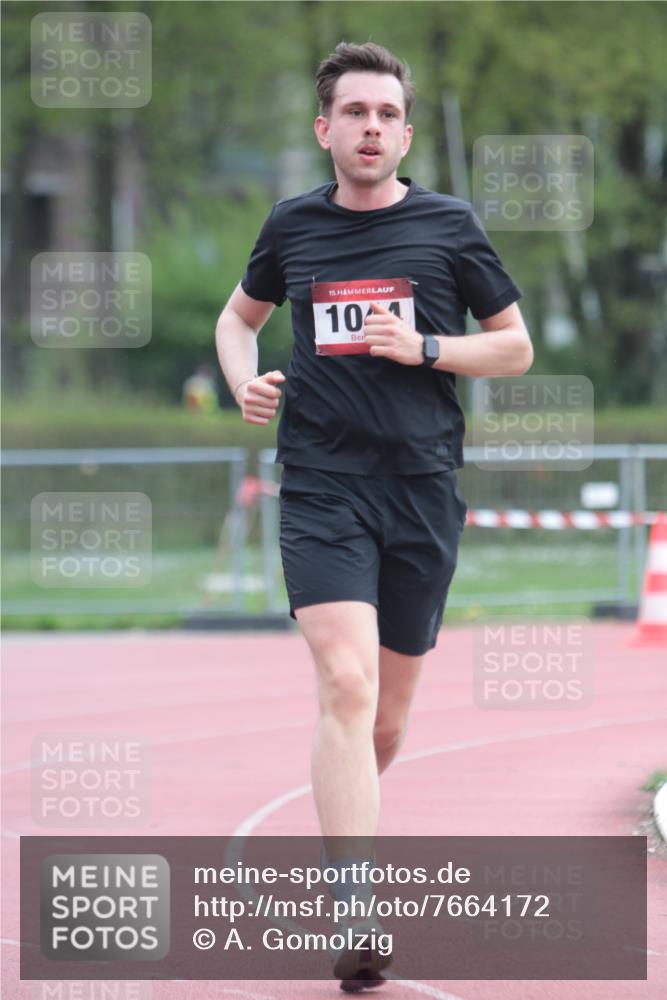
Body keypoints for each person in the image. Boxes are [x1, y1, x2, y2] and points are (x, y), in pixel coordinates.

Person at [215, 41, 532, 991]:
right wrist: (246, 384)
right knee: (344, 686)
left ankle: (341, 832)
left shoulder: (449, 225)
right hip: (320, 482)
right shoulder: (291, 226)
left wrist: (425, 346)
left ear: (405, 130)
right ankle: (355, 908)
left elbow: (511, 349)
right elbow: (238, 320)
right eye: (354, 113)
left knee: (385, 721)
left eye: (387, 115)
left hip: (421, 487)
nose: (371, 129)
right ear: (325, 130)